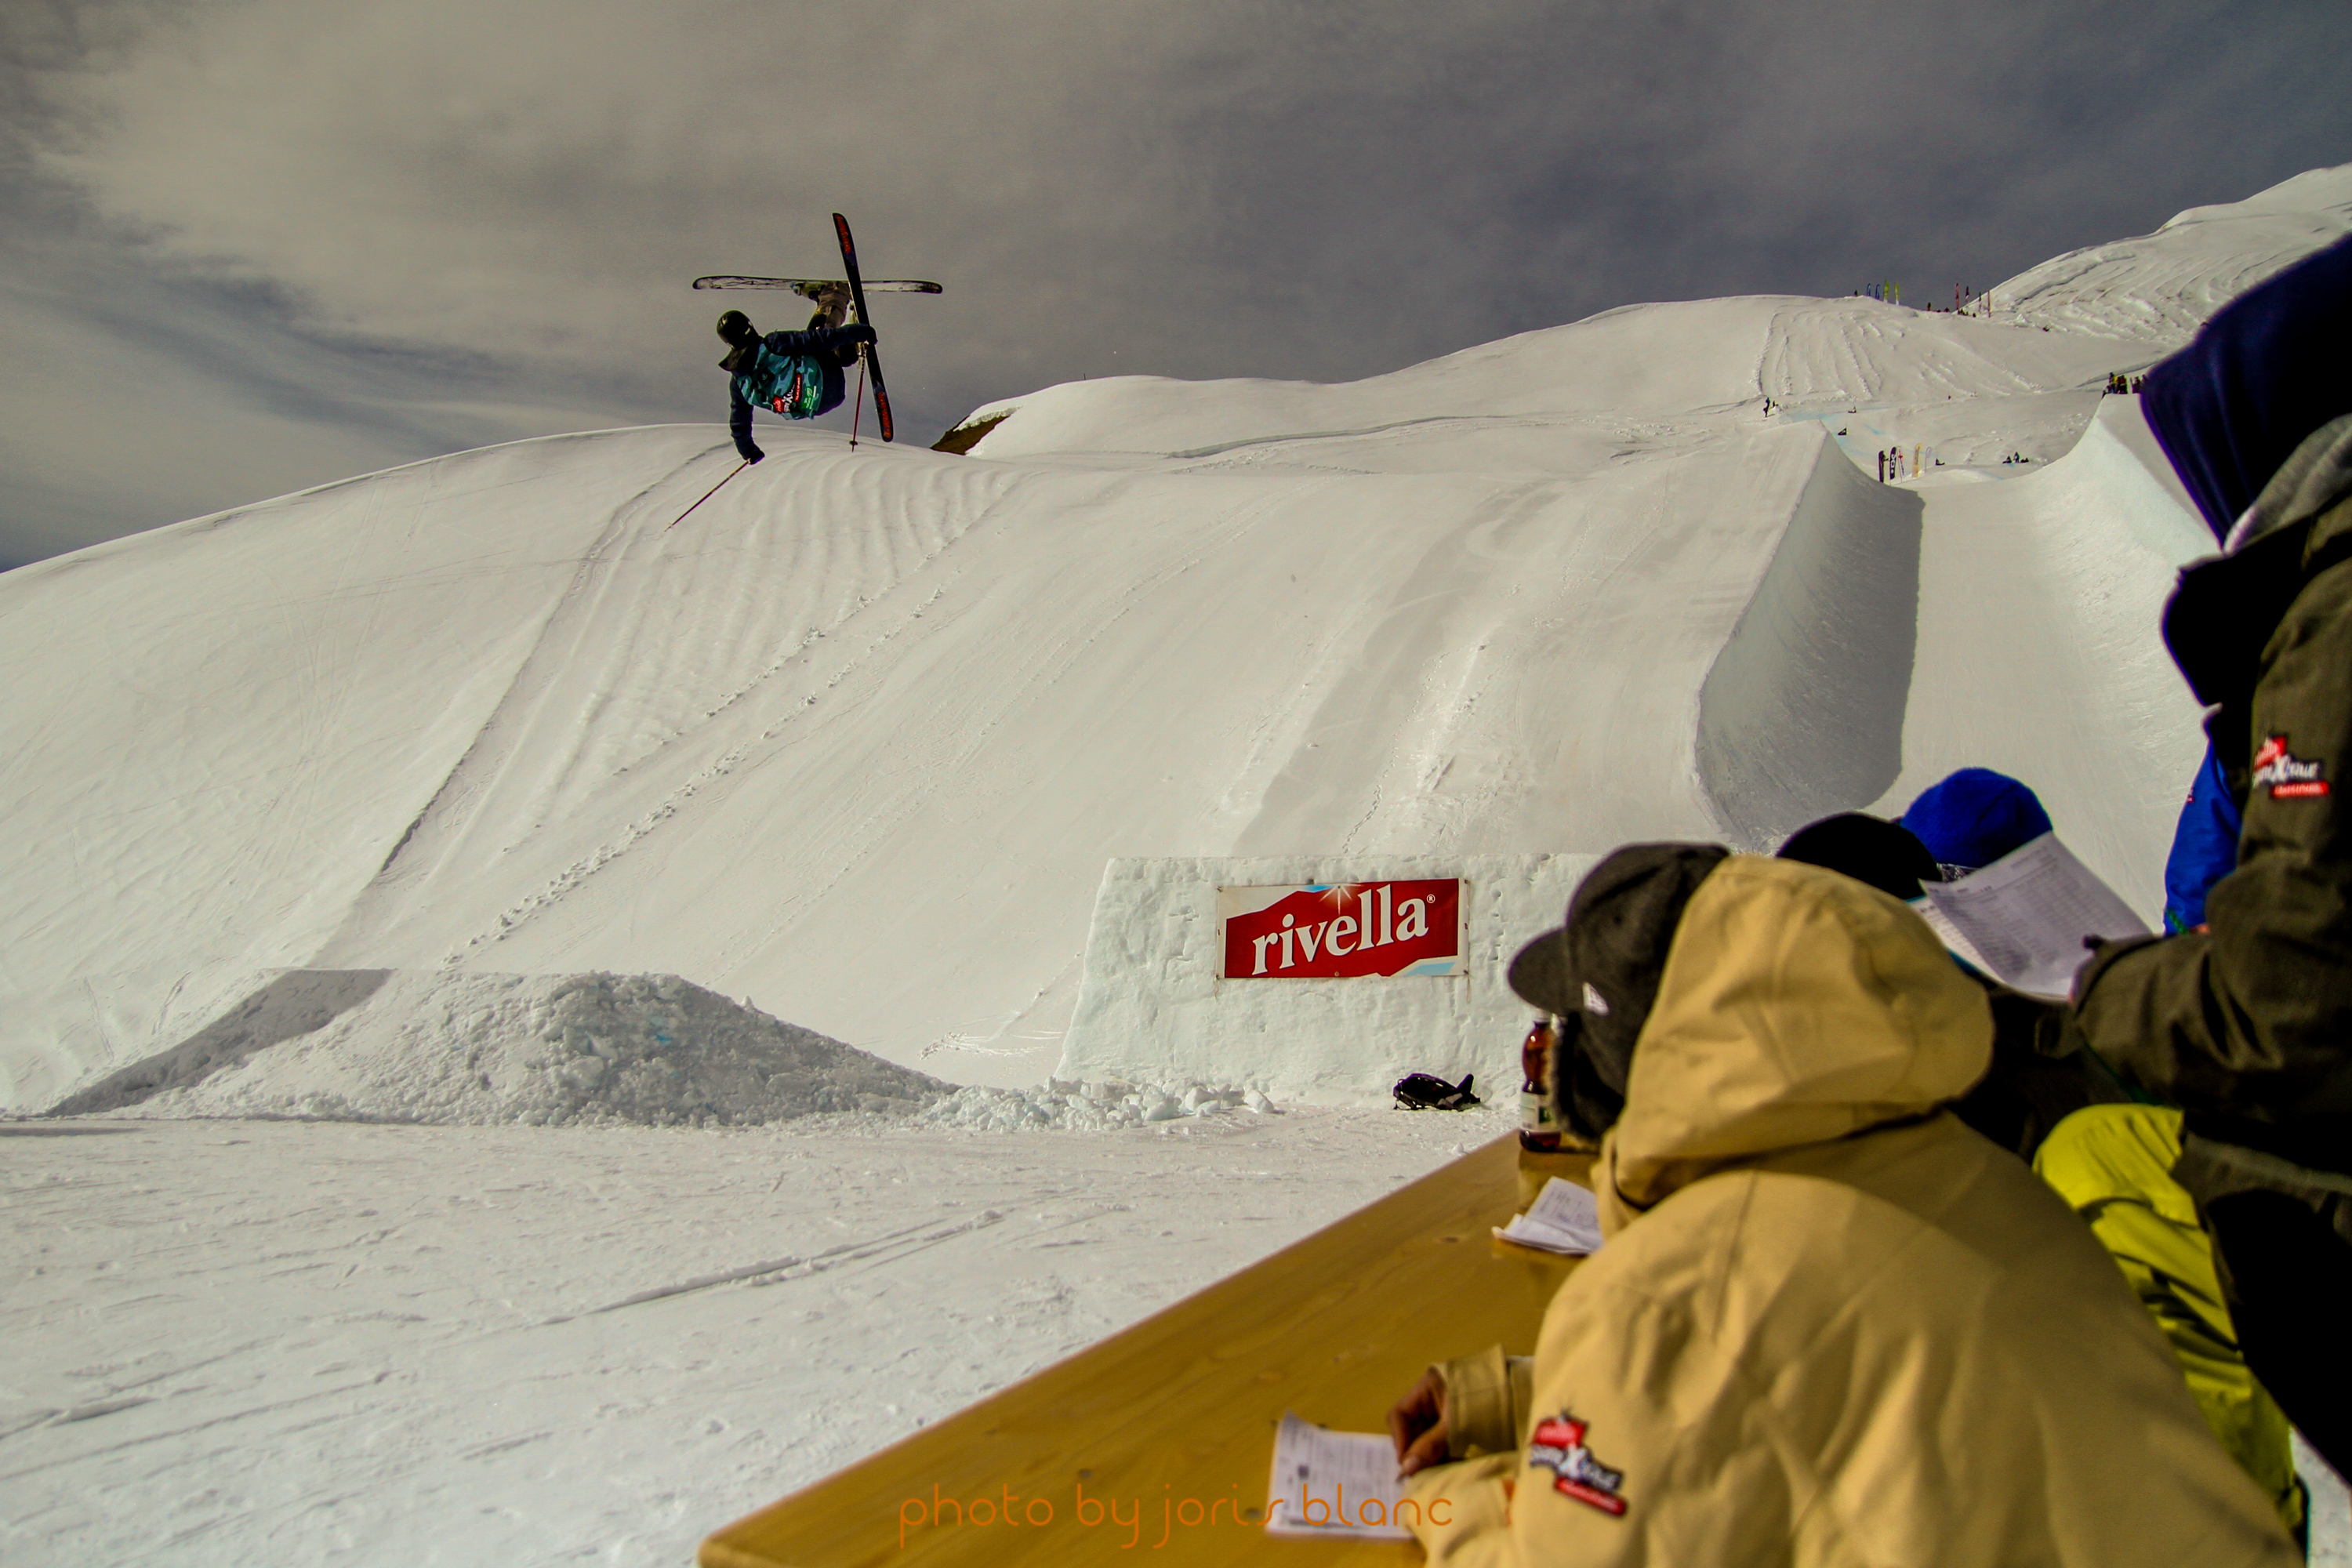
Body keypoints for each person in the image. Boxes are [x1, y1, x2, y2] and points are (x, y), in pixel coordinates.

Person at [1387, 847, 2295, 1566]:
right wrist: (1528, 1396)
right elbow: (1817, 1374)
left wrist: (1447, 1499)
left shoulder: (1675, 1292)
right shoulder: (1976, 1178)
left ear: (1628, 1060)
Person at [2071, 230, 2352, 1479]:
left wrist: (2105, 990)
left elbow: (2286, 996)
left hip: (2310, 1202)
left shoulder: (2335, 611)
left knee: (2109, 1166)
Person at [715, 297, 877, 464]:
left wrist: (748, 451)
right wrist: (860, 332)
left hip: (817, 406)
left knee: (817, 351)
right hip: (828, 377)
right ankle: (834, 297)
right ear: (749, 326)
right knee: (818, 332)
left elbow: (739, 423)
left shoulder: (739, 383)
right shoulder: (773, 344)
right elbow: (818, 339)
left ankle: (850, 348)